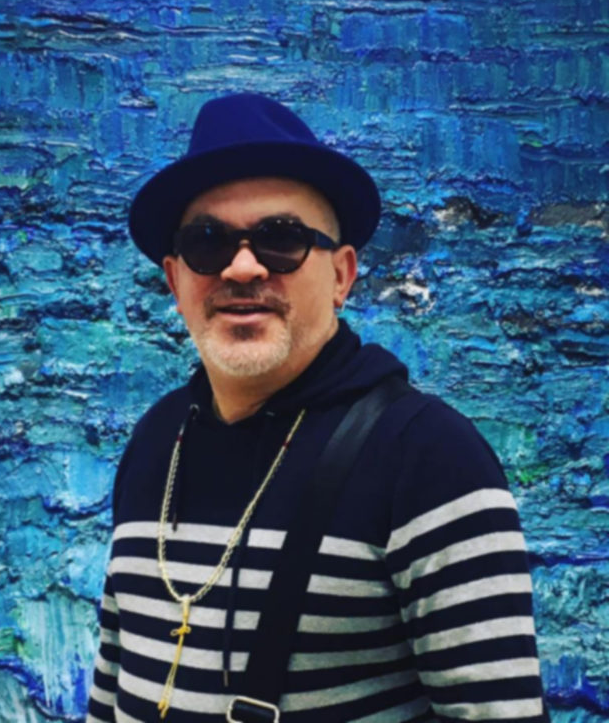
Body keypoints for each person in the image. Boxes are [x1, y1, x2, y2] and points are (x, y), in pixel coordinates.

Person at [86, 93, 548, 722]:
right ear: (174, 280)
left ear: (342, 276)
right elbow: (112, 681)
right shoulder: (156, 440)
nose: (242, 267)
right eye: (207, 241)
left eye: (281, 238)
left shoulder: (429, 457)